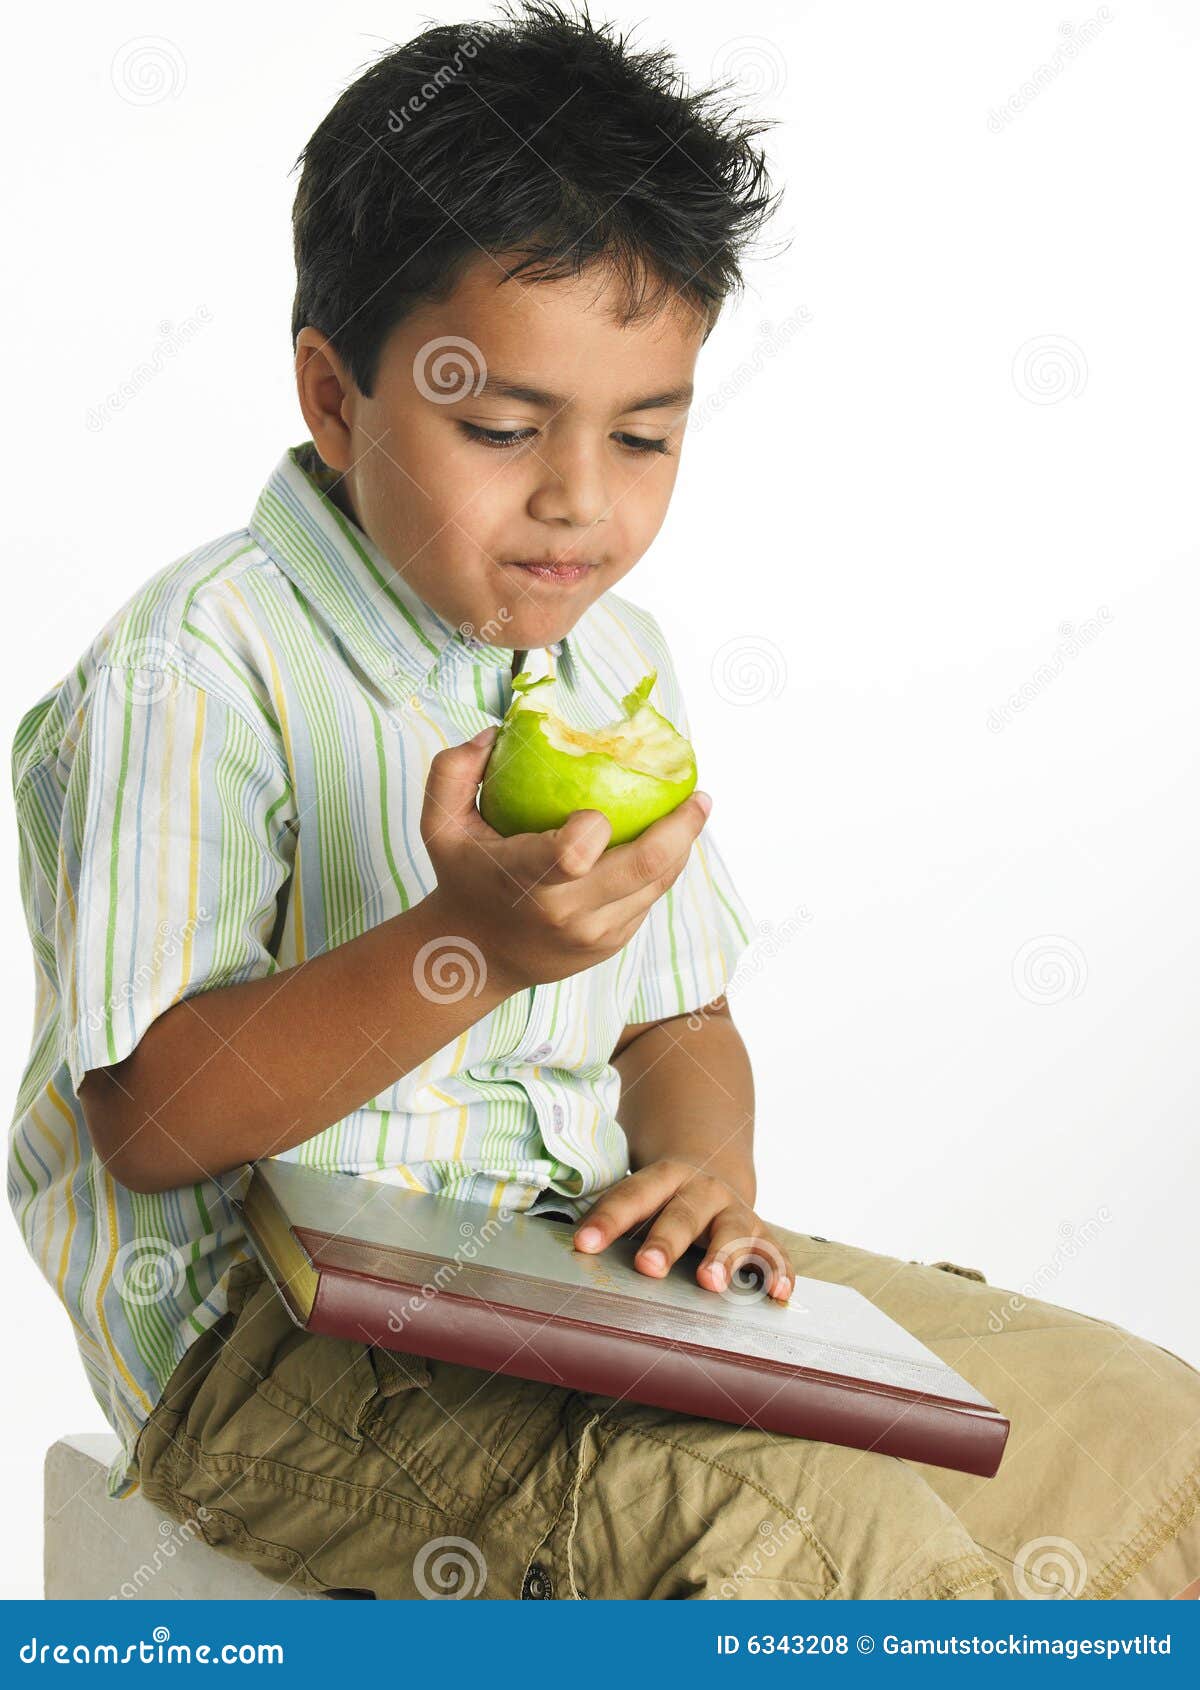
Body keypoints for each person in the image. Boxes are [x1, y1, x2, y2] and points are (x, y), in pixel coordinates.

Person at [9, 0, 1198, 1600]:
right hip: (275, 1354)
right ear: (337, 396)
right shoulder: (196, 672)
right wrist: (469, 947)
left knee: (1142, 1430)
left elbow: (675, 1020)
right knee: (804, 1541)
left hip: (563, 1266)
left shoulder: (607, 664)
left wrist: (706, 1175)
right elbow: (150, 1118)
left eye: (644, 434)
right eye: (501, 428)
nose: (580, 498)